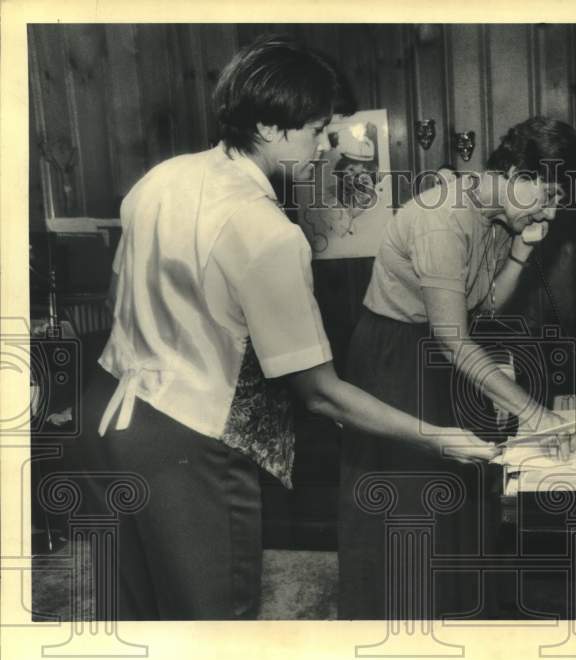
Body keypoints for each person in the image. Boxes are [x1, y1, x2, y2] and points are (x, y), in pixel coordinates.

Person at [78, 35, 495, 621]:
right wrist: (441, 437)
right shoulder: (267, 231)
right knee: (218, 626)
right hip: (186, 439)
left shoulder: (162, 178)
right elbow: (322, 394)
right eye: (319, 130)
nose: (328, 147)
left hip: (105, 415)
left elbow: (119, 292)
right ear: (272, 128)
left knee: (137, 615)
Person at [339, 116, 576, 620]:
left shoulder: (501, 217)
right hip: (395, 358)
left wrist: (520, 252)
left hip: (443, 351)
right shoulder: (444, 218)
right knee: (410, 507)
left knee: (463, 493)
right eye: (545, 197)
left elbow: (488, 306)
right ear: (518, 173)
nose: (548, 211)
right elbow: (454, 340)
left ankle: (459, 616)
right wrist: (537, 414)